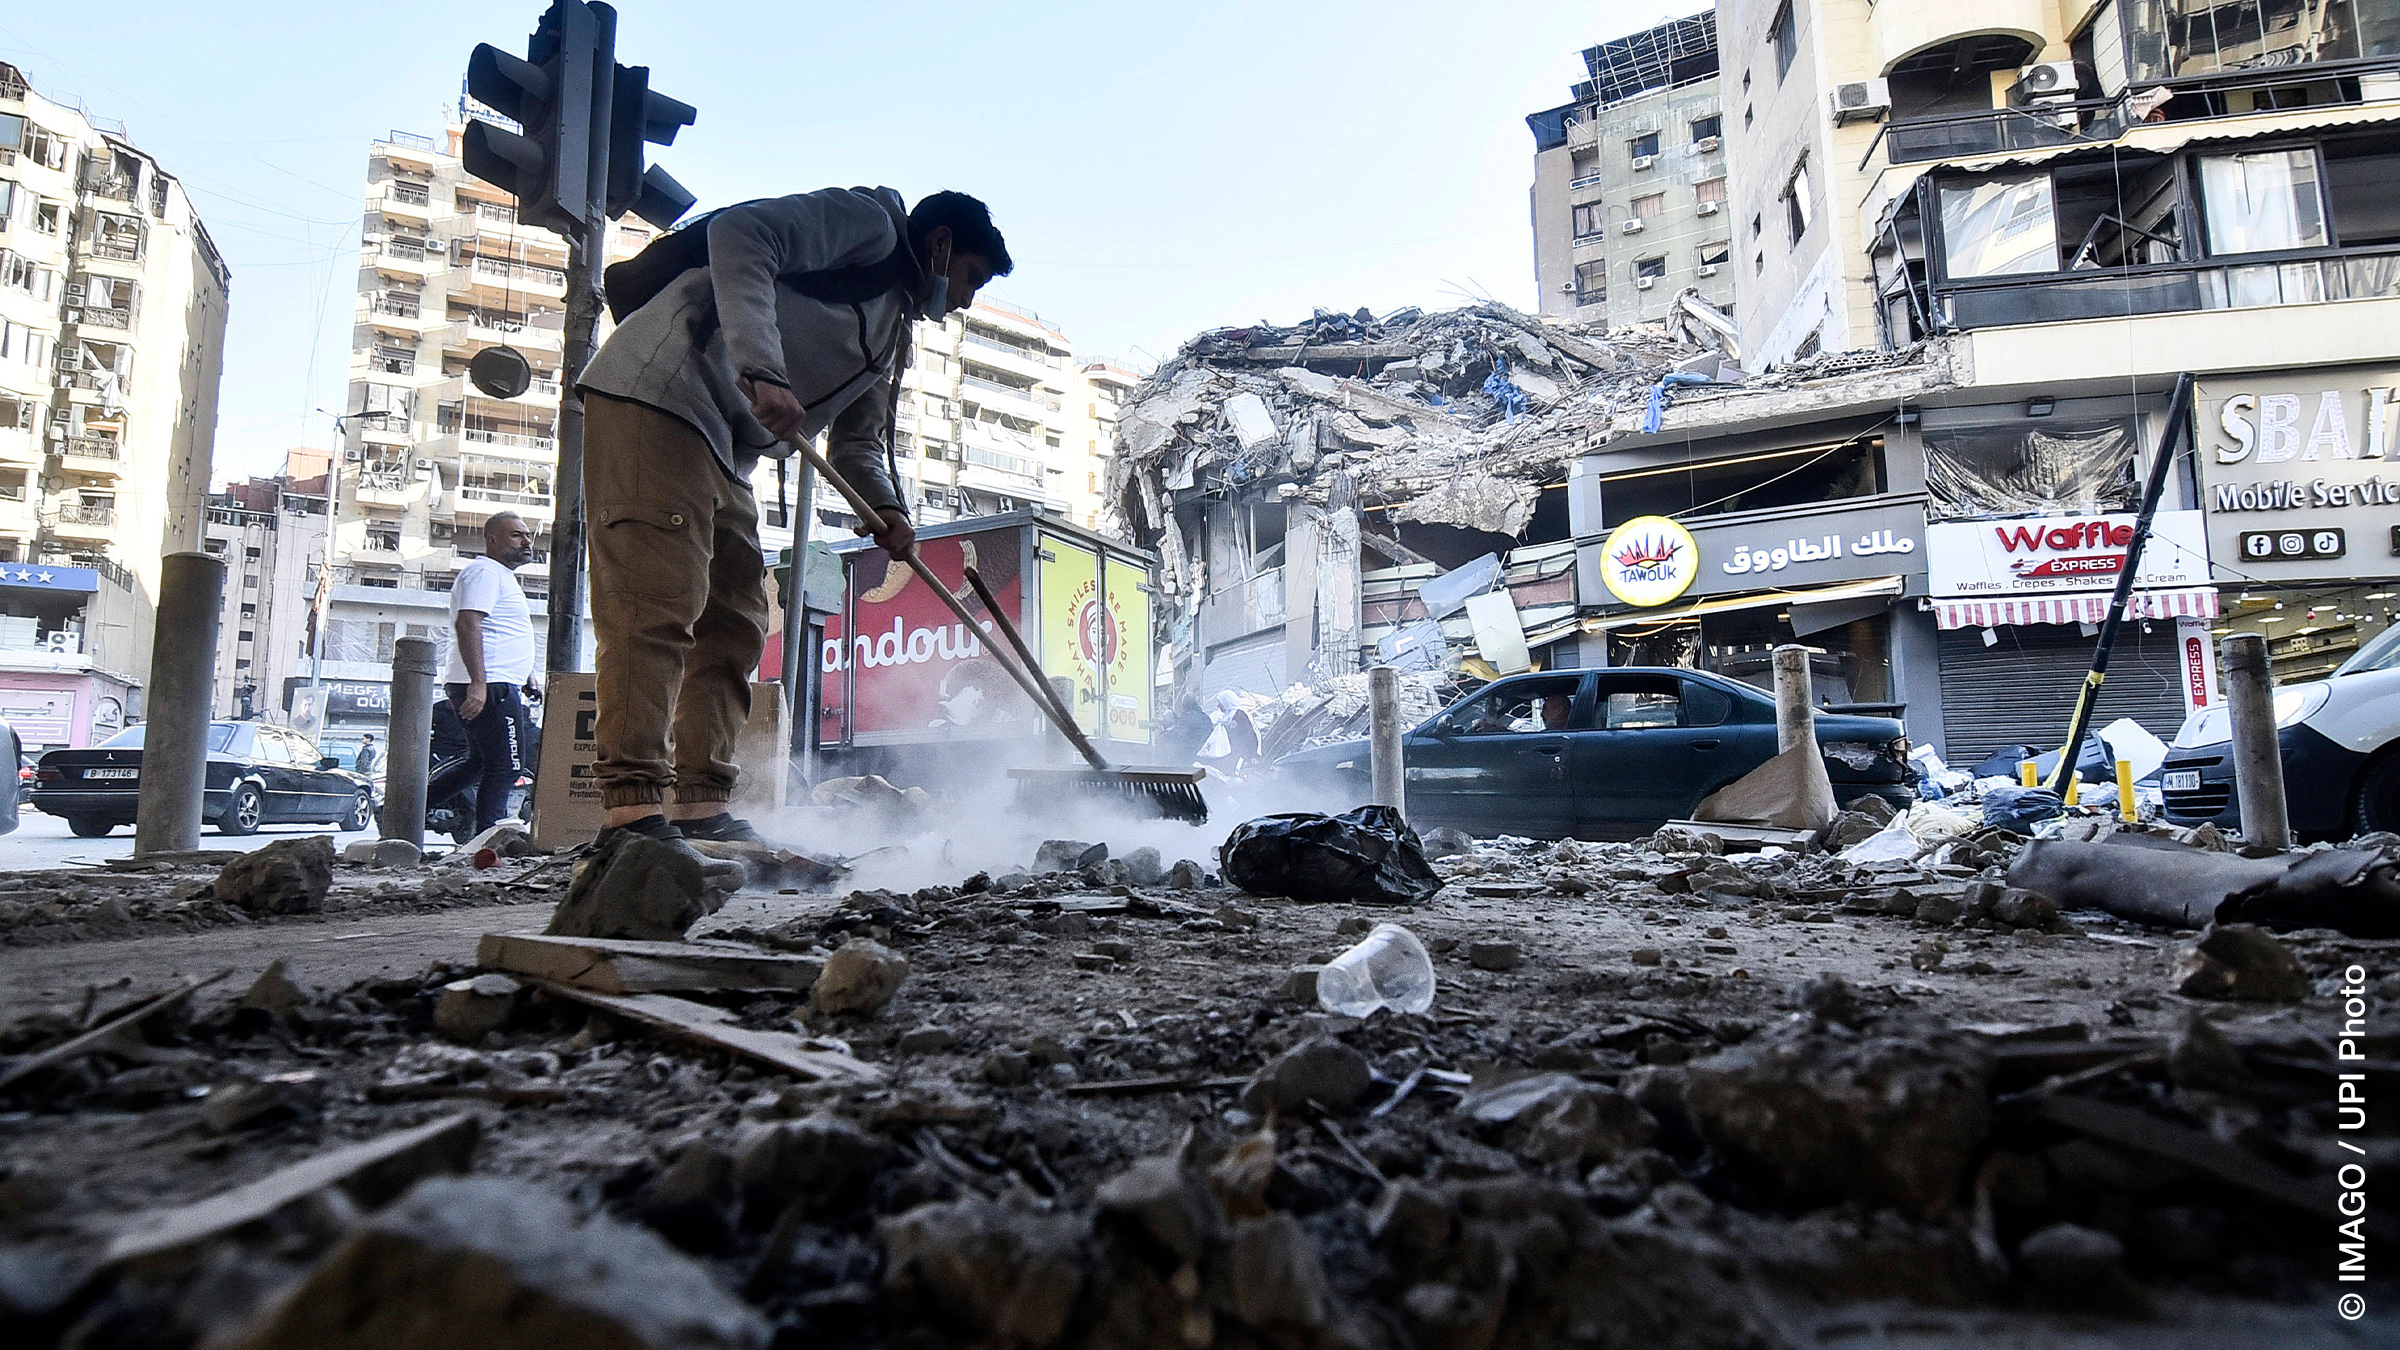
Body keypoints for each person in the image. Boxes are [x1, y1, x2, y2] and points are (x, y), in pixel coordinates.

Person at [576, 187, 1009, 858]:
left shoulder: (893, 333)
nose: (965, 301)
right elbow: (743, 235)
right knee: (654, 602)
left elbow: (859, 447)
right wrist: (764, 369)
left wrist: (888, 511)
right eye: (971, 279)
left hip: (724, 444)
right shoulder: (870, 223)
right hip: (661, 393)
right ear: (942, 243)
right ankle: (631, 815)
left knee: (735, 619)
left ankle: (701, 807)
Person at [427, 512, 540, 835]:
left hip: (499, 682)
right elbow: (469, 623)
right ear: (492, 540)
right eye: (517, 535)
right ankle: (489, 837)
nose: (526, 541)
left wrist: (526, 673)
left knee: (479, 762)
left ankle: (408, 808)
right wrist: (479, 683)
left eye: (527, 535)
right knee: (506, 767)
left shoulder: (498, 576)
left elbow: (498, 630)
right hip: (490, 686)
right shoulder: (484, 572)